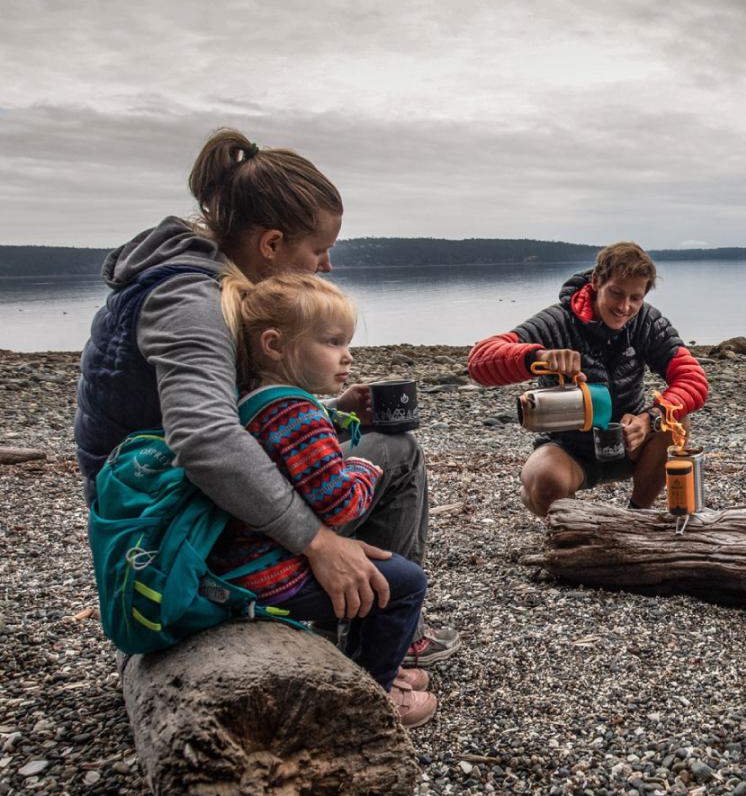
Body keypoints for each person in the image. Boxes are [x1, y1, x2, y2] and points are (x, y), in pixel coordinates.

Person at [74, 128, 458, 669]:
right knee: (396, 453)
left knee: (373, 439)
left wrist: (331, 412)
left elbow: (224, 412)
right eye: (318, 250)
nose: (325, 266)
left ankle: (351, 607)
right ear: (271, 244)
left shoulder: (201, 276)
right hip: (167, 529)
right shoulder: (192, 300)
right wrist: (318, 544)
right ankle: (383, 621)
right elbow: (206, 440)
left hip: (161, 499)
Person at [209, 269, 435, 725]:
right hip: (268, 571)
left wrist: (334, 414)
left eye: (347, 343)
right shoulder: (296, 412)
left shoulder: (255, 398)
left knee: (387, 571)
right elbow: (341, 503)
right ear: (274, 345)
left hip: (237, 556)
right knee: (405, 583)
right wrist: (363, 469)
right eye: (332, 342)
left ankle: (355, 661)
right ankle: (372, 692)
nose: (347, 356)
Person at [467, 241, 708, 516]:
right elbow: (479, 362)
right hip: (569, 449)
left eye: (635, 298)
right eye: (616, 293)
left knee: (675, 419)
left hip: (630, 442)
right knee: (543, 481)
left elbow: (693, 379)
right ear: (596, 281)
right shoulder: (558, 322)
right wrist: (538, 358)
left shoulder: (646, 323)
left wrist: (649, 418)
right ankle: (570, 527)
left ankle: (636, 516)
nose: (624, 307)